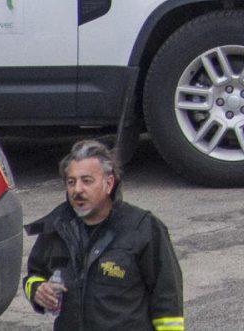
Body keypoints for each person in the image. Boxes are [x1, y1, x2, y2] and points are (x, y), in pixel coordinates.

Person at [21, 140, 182, 331]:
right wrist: (38, 290)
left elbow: (167, 298)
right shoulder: (56, 227)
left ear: (109, 183)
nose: (77, 190)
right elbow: (34, 274)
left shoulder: (144, 228)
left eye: (87, 181)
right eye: (71, 182)